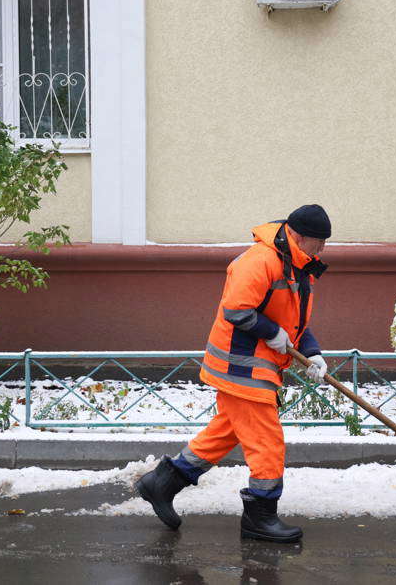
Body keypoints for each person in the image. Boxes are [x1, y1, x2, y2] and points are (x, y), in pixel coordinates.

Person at [134, 204, 332, 543]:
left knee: (226, 431)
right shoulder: (260, 261)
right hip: (240, 365)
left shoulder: (299, 267)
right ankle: (260, 517)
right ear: (298, 236)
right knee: (267, 444)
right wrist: (271, 332)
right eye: (318, 242)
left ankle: (162, 482)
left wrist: (311, 353)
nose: (322, 250)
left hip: (257, 364)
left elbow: (296, 321)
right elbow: (236, 309)